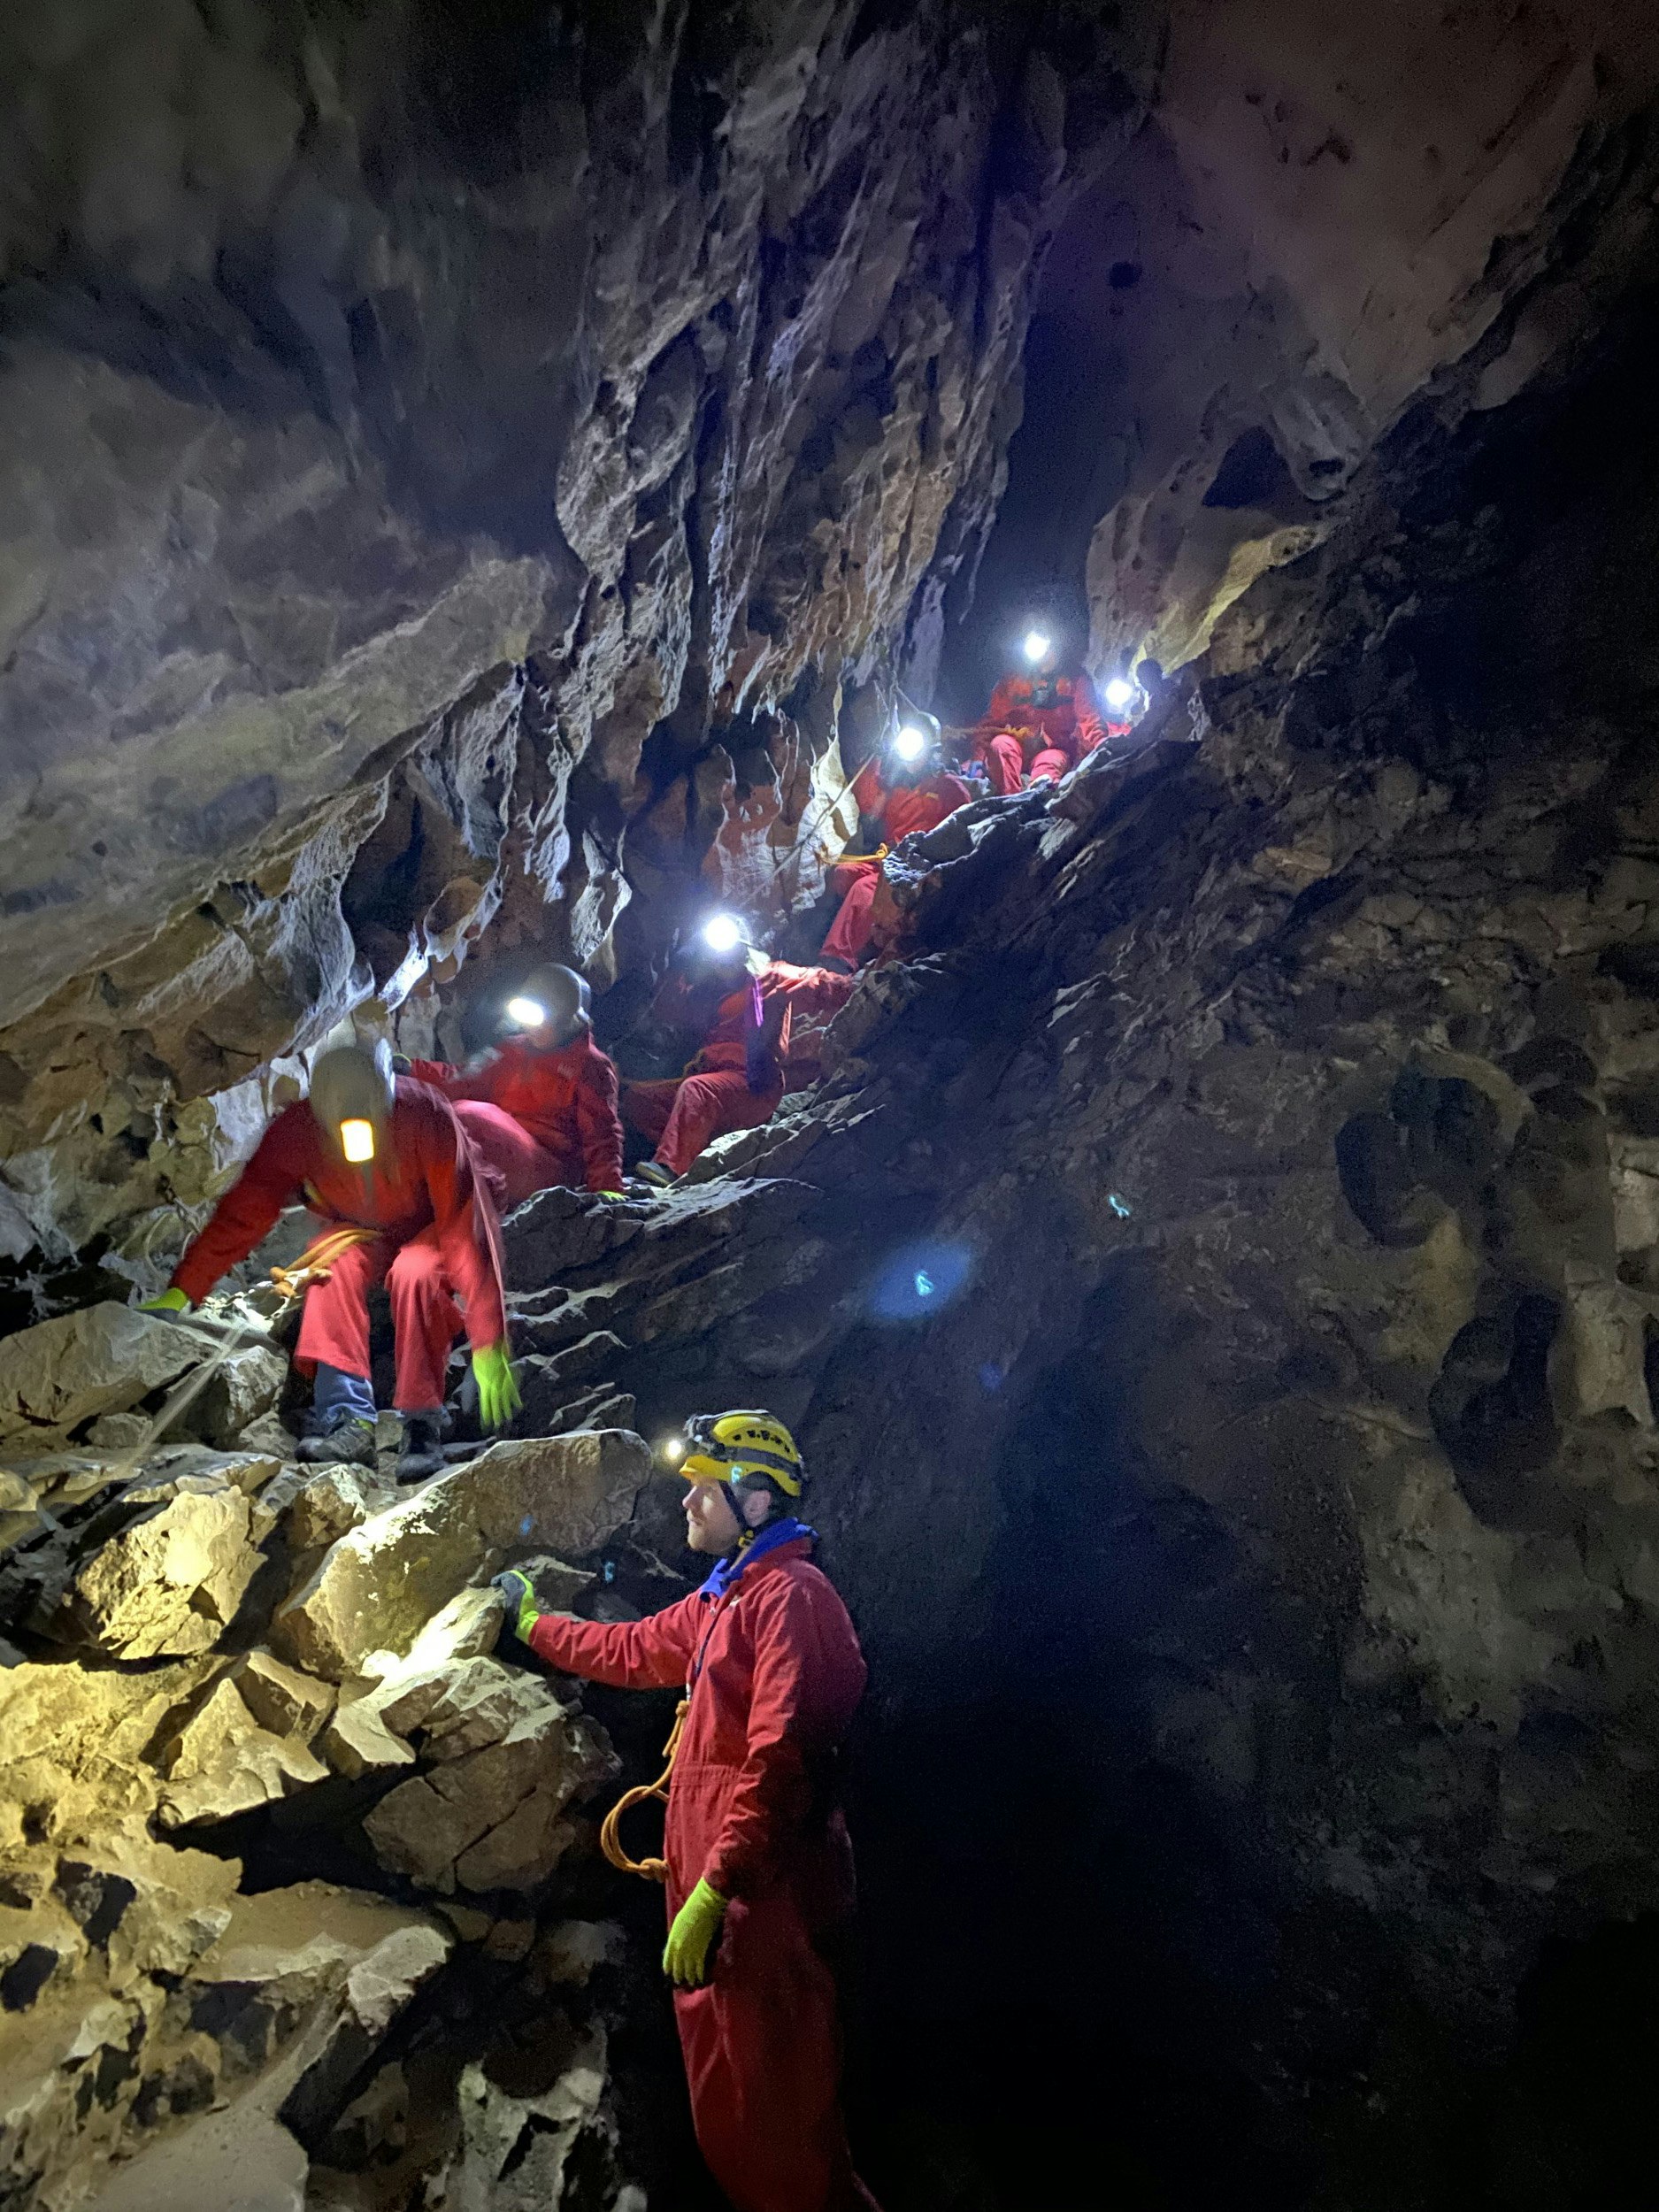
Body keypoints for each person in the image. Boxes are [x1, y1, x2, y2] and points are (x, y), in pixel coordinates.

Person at [494, 1409, 879, 2212]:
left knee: (782, 2125)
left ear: (757, 1500)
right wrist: (533, 1625)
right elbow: (629, 1650)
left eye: (704, 1490)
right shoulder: (720, 1604)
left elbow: (783, 1760)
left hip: (762, 1898)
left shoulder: (792, 1599)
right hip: (712, 1889)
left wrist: (719, 1888)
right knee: (731, 2122)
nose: (687, 1505)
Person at [142, 1041, 518, 1481]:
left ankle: (422, 1424)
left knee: (416, 1273)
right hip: (362, 1225)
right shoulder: (298, 1131)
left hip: (433, 1219)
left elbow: (461, 1227)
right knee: (329, 1273)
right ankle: (349, 1421)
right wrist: (183, 1289)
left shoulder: (425, 1114)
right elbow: (246, 1209)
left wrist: (489, 1340)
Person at [621, 931, 855, 1188]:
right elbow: (671, 1015)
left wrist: (860, 984)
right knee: (638, 1099)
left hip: (753, 1082)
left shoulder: (770, 976)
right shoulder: (707, 993)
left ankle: (673, 1168)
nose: (723, 961)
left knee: (697, 1090)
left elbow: (818, 981)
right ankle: (700, 1154)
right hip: (717, 1079)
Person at [406, 964, 625, 1207]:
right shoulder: (510, 1049)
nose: (533, 1027)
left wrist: (608, 1189)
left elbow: (602, 1132)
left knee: (470, 1115)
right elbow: (463, 1077)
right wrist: (411, 1070)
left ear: (569, 1020)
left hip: (550, 1168)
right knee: (438, 1115)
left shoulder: (590, 1065)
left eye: (543, 1018)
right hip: (507, 1153)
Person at [821, 732, 974, 971]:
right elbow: (870, 819)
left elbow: (967, 829)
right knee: (841, 875)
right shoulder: (896, 786)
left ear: (931, 752)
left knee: (864, 889)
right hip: (888, 859)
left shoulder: (949, 788)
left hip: (919, 867)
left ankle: (839, 960)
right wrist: (881, 773)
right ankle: (848, 940)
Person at [972, 631, 1108, 794]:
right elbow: (992, 722)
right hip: (1019, 745)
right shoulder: (1015, 679)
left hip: (1055, 749)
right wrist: (978, 759)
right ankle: (1008, 801)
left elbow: (1090, 720)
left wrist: (1103, 749)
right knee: (1000, 745)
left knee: (1048, 768)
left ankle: (1039, 800)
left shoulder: (1076, 680)